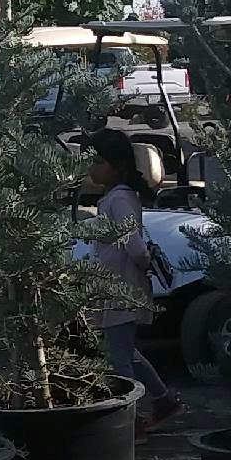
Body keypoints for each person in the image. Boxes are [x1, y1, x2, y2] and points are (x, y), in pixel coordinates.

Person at [83, 129, 184, 433]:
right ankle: (163, 400)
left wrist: (143, 265)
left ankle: (131, 420)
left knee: (120, 360)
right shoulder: (113, 198)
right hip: (116, 285)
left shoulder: (119, 200)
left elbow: (134, 245)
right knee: (125, 352)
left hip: (122, 288)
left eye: (99, 161)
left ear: (117, 166)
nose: (92, 168)